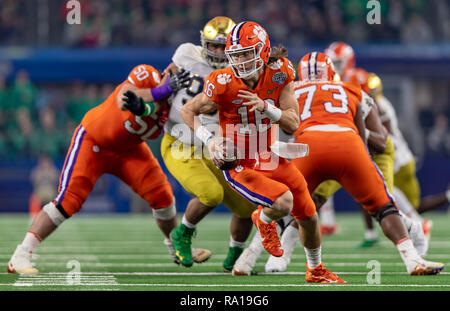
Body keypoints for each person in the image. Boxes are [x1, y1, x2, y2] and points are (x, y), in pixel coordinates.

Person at [236, 52, 444, 276]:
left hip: (309, 147)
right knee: (384, 207)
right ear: (331, 72)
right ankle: (412, 259)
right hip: (349, 143)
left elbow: (288, 127)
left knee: (283, 205)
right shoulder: (351, 88)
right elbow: (364, 137)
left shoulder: (291, 89)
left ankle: (247, 259)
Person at [181, 22, 345, 283]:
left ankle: (315, 269)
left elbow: (293, 123)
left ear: (263, 50)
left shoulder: (280, 72)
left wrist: (267, 108)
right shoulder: (222, 81)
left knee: (309, 214)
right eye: (236, 55)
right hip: (238, 163)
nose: (241, 61)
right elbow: (188, 110)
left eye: (247, 53)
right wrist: (211, 141)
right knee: (284, 202)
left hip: (268, 157)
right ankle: (264, 217)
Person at [7, 64, 210, 275]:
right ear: (167, 75)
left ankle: (176, 247)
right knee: (68, 201)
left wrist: (155, 102)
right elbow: (124, 98)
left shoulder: (173, 109)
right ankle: (21, 254)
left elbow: (150, 109)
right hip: (94, 141)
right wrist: (161, 90)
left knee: (163, 196)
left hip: (130, 150)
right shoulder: (147, 74)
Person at [162, 16, 255, 270]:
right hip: (180, 140)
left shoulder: (243, 70)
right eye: (212, 45)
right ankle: (182, 234)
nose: (216, 51)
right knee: (210, 194)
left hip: (213, 145)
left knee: (248, 207)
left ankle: (234, 259)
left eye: (222, 46)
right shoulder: (186, 54)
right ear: (203, 42)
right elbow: (166, 80)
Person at [368, 73, 450, 226]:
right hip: (401, 156)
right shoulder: (380, 102)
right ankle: (421, 220)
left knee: (385, 194)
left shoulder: (377, 104)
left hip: (396, 157)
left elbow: (385, 131)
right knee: (407, 205)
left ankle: (419, 223)